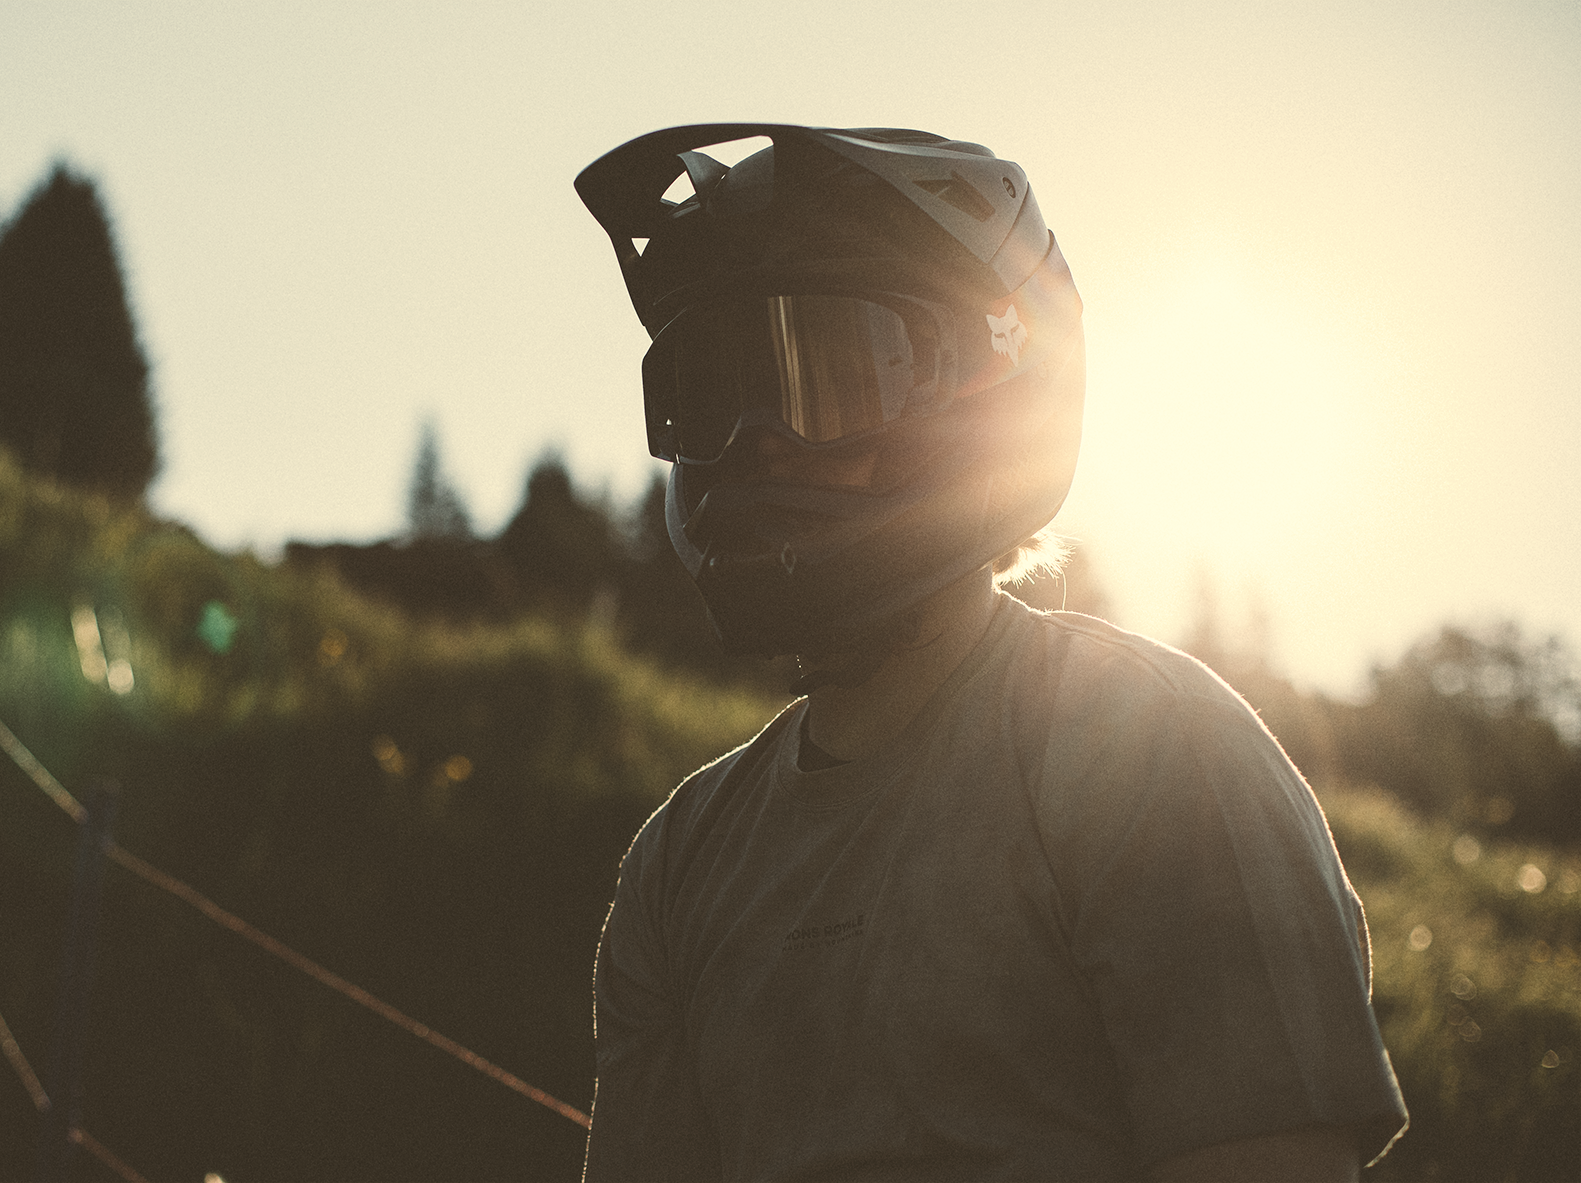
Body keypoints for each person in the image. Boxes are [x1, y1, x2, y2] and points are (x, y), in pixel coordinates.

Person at [572, 124, 1407, 1181]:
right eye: (707, 388)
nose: (752, 439)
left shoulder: (1154, 757)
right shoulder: (679, 857)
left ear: (991, 394)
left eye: (825, 378)